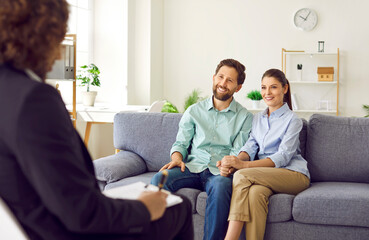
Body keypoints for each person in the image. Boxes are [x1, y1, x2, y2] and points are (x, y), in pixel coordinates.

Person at [0, 0, 193, 239]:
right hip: (65, 231)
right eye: (59, 38)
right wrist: (144, 208)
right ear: (42, 37)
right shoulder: (33, 99)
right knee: (179, 207)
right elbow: (82, 213)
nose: (59, 51)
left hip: (27, 225)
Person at [151, 59, 253, 240]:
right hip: (191, 167)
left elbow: (238, 152)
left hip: (219, 172)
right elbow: (181, 143)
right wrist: (176, 157)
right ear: (213, 78)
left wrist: (229, 165)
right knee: (160, 178)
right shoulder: (193, 111)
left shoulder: (245, 117)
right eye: (220, 77)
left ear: (238, 87)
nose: (223, 83)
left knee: (222, 186)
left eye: (229, 80)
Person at [219, 69, 311, 240]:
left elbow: (283, 156)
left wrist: (243, 166)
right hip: (265, 177)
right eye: (263, 87)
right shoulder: (257, 119)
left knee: (242, 176)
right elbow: (250, 146)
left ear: (284, 89)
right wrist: (235, 161)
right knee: (255, 194)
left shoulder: (293, 120)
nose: (267, 93)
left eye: (273, 87)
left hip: (294, 175)